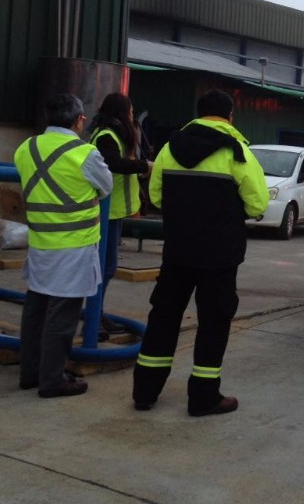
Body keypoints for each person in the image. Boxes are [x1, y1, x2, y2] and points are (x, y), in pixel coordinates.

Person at [132, 90, 269, 416]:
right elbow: (258, 203)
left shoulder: (169, 149)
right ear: (230, 117)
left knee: (164, 317)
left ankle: (145, 392)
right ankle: (203, 396)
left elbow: (156, 197)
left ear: (199, 113)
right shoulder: (238, 153)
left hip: (178, 251)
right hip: (220, 256)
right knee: (213, 322)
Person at [14, 93, 112, 398]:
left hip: (41, 243)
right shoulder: (85, 153)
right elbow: (105, 187)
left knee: (36, 310)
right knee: (63, 315)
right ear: (78, 120)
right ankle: (52, 380)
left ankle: (31, 373)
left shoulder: (25, 148)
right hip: (74, 246)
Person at [89, 93, 152, 339]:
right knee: (105, 267)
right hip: (106, 211)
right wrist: (144, 166)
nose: (132, 116)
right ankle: (94, 318)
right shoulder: (107, 136)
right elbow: (113, 164)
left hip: (113, 212)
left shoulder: (113, 135)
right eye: (130, 111)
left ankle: (98, 314)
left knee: (107, 267)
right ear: (121, 112)